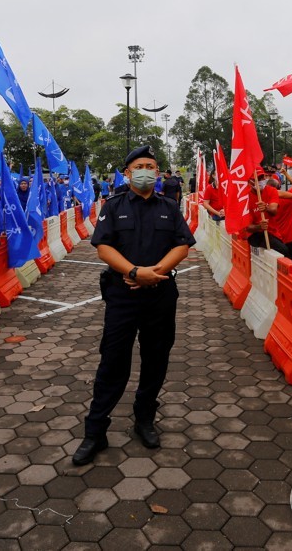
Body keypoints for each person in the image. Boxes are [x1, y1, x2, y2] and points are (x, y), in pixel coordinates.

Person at [74, 145, 195, 466]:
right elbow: (102, 247)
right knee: (113, 362)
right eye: (139, 166)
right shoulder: (113, 206)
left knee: (156, 359)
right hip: (122, 295)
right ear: (127, 173)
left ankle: (144, 419)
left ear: (157, 173)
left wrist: (154, 274)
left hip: (160, 295)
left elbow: (183, 245)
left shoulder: (169, 206)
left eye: (151, 166)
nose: (146, 171)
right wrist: (133, 272)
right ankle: (95, 431)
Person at [241, 168, 289, 254]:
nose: (261, 181)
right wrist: (259, 227)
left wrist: (266, 207)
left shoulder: (271, 190)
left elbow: (274, 210)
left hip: (273, 232)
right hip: (255, 234)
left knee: (284, 250)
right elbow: (247, 227)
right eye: (257, 179)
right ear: (250, 182)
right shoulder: (245, 198)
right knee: (283, 250)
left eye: (262, 178)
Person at [266, 177, 292, 261]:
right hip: (289, 238)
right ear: (279, 188)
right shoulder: (287, 198)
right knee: (291, 263)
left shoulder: (263, 201)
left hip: (273, 238)